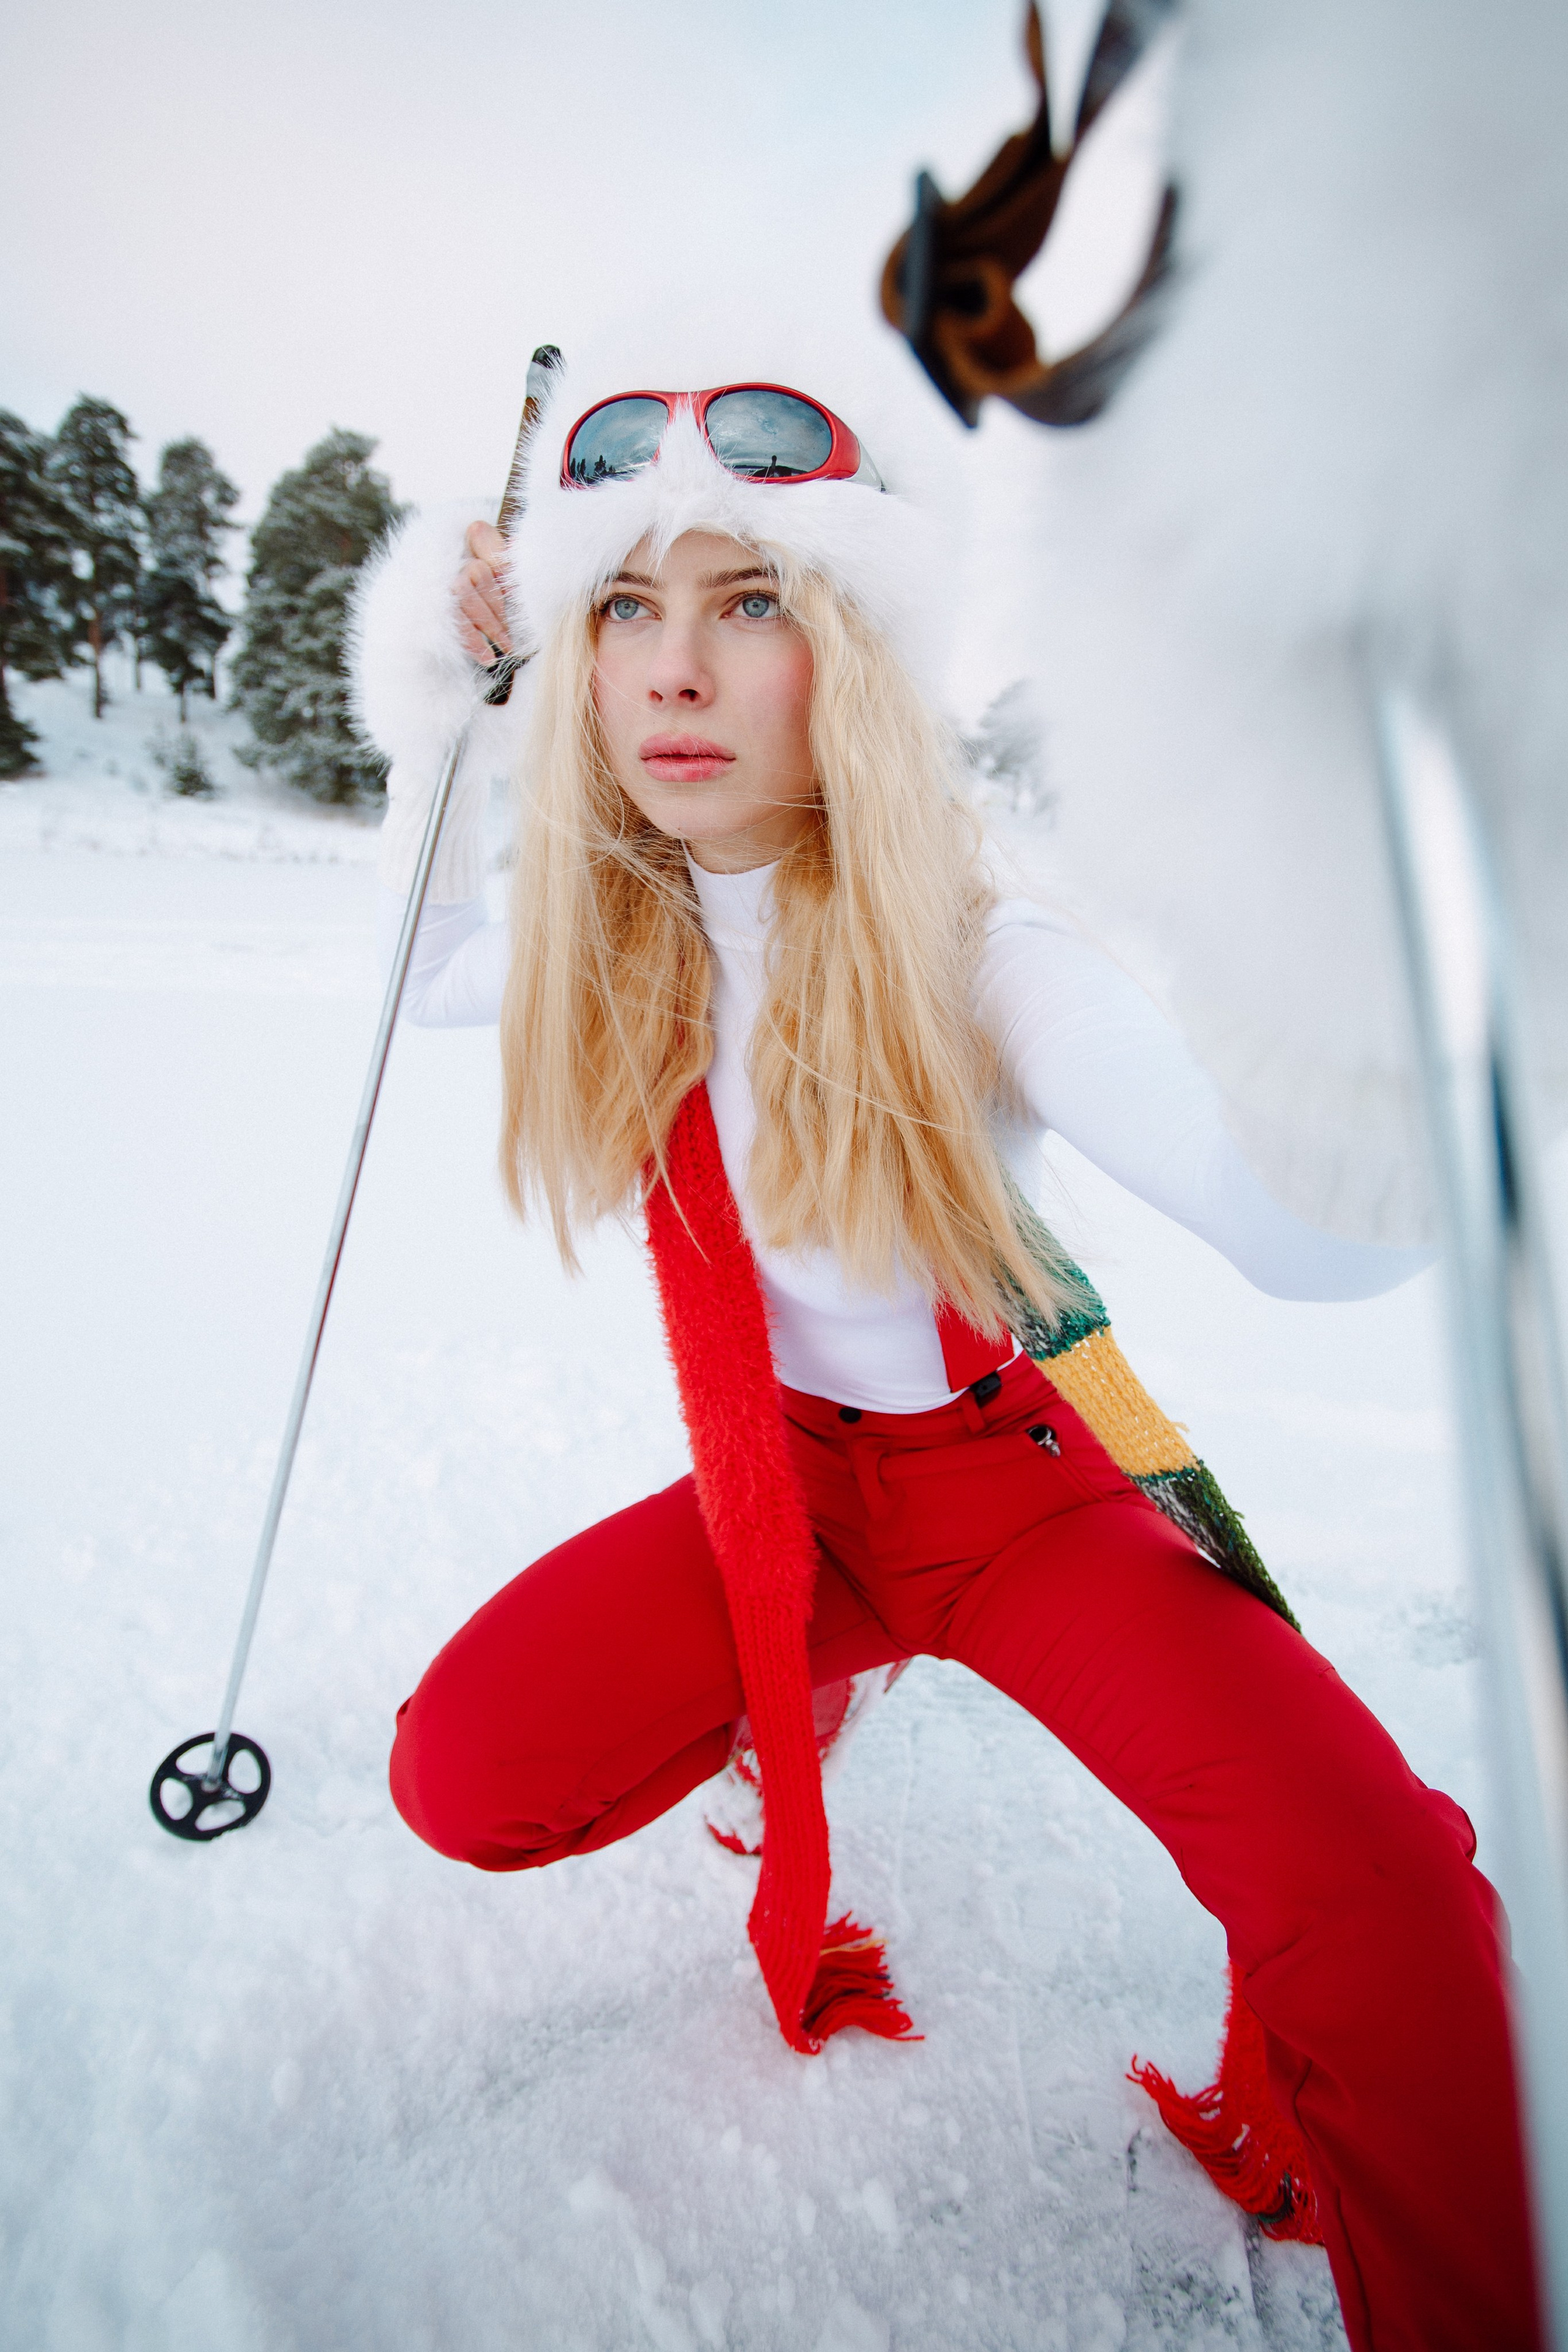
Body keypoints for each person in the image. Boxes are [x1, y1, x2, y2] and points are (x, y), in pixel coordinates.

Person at [349, 334, 1542, 2352]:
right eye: (623, 606)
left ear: (853, 652)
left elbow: (1297, 1229)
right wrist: (450, 723)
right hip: (780, 1486)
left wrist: (1349, 1006)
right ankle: (816, 1659)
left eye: (751, 606)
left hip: (1023, 1502)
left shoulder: (986, 948)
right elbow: (419, 966)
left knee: (1398, 1923)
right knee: (462, 1774)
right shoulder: (603, 926)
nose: (673, 670)